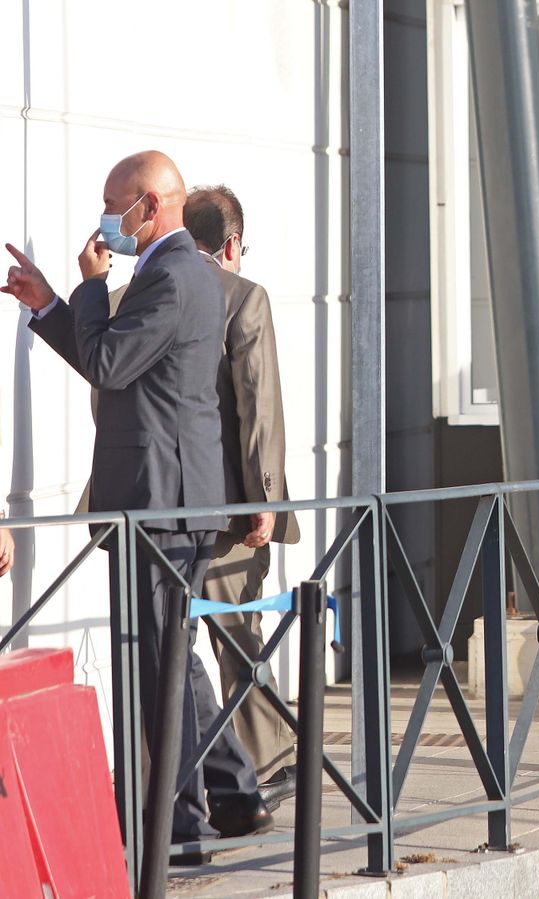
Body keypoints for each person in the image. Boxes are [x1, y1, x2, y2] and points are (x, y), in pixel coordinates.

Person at [2, 151, 271, 858]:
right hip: (160, 499)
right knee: (171, 663)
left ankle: (182, 823)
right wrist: (52, 306)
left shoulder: (176, 275)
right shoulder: (168, 271)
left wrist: (89, 288)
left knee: (162, 667)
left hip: (162, 503)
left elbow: (109, 363)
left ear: (150, 207)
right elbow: (116, 360)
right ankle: (231, 793)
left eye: (113, 203)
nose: (104, 218)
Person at [185, 185, 301, 806]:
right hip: (230, 508)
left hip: (161, 504)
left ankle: (182, 770)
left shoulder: (133, 297)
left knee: (168, 645)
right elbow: (259, 404)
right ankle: (267, 762)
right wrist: (266, 498)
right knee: (237, 632)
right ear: (231, 244)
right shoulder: (242, 296)